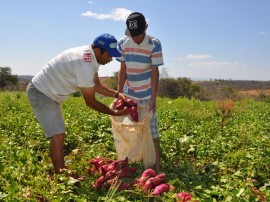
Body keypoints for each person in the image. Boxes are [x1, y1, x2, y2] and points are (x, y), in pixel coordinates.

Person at [26, 33, 129, 174]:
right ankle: (61, 176)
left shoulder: (90, 57)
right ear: (99, 51)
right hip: (41, 92)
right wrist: (115, 113)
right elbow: (91, 102)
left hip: (50, 93)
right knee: (58, 135)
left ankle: (61, 169)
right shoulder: (84, 64)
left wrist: (117, 94)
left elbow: (97, 85)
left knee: (59, 133)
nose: (111, 59)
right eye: (109, 55)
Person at [117, 12, 164, 171]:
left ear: (146, 27)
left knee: (152, 130)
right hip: (129, 94)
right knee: (129, 130)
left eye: (139, 34)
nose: (136, 38)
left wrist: (153, 98)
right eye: (133, 34)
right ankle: (130, 161)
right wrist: (119, 94)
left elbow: (154, 72)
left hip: (146, 94)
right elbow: (122, 69)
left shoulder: (154, 44)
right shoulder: (123, 43)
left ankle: (156, 164)